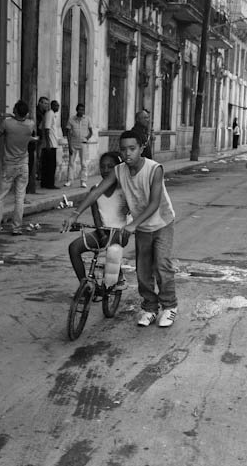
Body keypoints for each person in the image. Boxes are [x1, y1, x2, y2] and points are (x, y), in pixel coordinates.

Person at [62, 130, 178, 328]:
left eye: (132, 148)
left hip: (162, 223)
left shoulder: (154, 169)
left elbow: (154, 203)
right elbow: (97, 192)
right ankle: (150, 308)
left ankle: (170, 306)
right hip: (142, 227)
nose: (127, 153)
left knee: (161, 265)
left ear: (141, 148)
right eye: (123, 150)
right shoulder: (119, 170)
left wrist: (132, 224)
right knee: (143, 270)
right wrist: (75, 213)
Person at [67, 152, 129, 285]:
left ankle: (117, 277)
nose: (105, 170)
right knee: (74, 247)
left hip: (120, 233)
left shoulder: (125, 189)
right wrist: (101, 234)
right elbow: (96, 217)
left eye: (110, 167)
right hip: (102, 232)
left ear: (118, 168)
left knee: (111, 252)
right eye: (102, 166)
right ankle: (85, 285)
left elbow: (131, 214)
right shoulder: (95, 190)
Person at [0, 100, 37, 235]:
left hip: (9, 165)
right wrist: (13, 115)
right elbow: (24, 119)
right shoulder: (30, 125)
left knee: (0, 197)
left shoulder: (7, 123)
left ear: (15, 111)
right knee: (20, 198)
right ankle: (16, 228)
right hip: (23, 165)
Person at [64, 103, 94, 188]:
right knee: (71, 162)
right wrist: (69, 145)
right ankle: (70, 180)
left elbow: (91, 131)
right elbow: (68, 132)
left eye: (82, 110)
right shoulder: (71, 119)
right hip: (73, 143)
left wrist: (86, 138)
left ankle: (83, 181)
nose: (81, 111)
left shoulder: (87, 119)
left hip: (83, 143)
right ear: (76, 110)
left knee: (83, 163)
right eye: (80, 109)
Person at [40, 100, 61, 189]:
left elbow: (41, 127)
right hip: (50, 144)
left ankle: (45, 183)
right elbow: (46, 128)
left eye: (58, 106)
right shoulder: (50, 114)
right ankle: (49, 184)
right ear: (52, 106)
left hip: (51, 143)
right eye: (56, 106)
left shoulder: (50, 114)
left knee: (47, 165)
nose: (58, 107)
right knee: (50, 165)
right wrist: (48, 143)